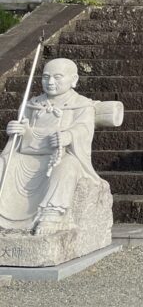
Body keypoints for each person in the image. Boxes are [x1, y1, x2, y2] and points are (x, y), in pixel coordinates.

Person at [1, 58, 102, 234]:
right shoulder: (32, 104)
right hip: (27, 156)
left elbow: (84, 129)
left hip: (59, 157)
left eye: (57, 77)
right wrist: (16, 130)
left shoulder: (82, 105)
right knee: (2, 164)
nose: (50, 82)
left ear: (74, 79)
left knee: (67, 167)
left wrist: (68, 135)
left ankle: (51, 214)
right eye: (46, 77)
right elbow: (21, 132)